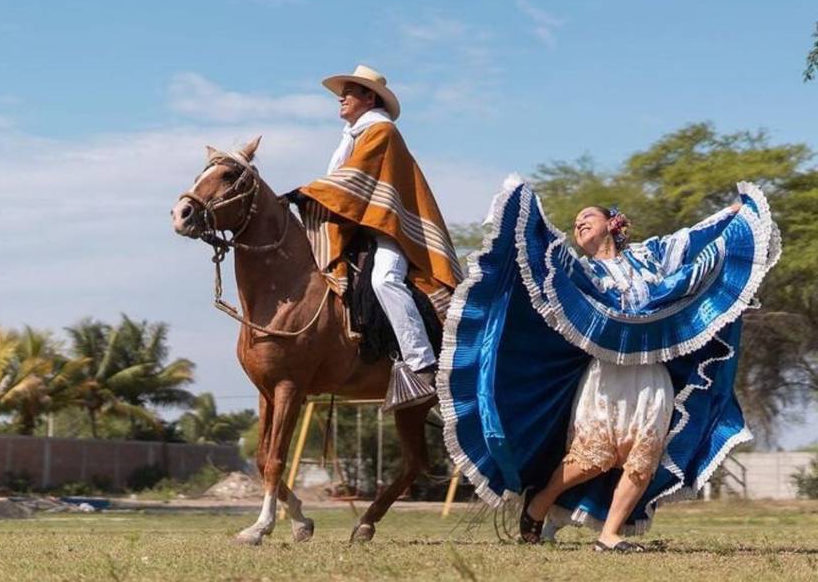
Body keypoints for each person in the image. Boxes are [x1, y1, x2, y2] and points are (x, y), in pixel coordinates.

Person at [438, 175, 780, 550]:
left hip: (652, 370)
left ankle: (610, 534)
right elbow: (548, 254)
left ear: (612, 224)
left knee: (644, 455)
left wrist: (734, 213)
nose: (579, 222)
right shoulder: (582, 272)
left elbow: (693, 239)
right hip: (607, 370)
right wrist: (526, 208)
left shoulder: (649, 255)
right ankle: (539, 503)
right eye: (576, 222)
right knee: (594, 455)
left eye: (588, 216)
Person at [297, 65, 462, 411]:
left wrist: (306, 194)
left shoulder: (380, 132)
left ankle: (421, 365)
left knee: (385, 278)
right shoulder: (351, 136)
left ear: (368, 97)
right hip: (365, 227)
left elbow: (354, 179)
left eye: (349, 92)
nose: (341, 98)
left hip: (391, 228)